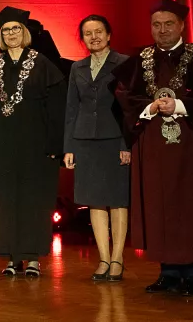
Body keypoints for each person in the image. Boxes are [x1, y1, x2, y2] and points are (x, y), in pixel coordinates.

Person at [113, 0, 193, 296]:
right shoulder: (140, 60)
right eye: (156, 25)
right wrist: (151, 106)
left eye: (168, 24)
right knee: (158, 204)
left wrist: (177, 104)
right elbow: (125, 96)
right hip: (154, 145)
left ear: (181, 26)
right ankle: (167, 272)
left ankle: (192, 273)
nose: (162, 30)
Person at [0, 6, 66, 277]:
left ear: (24, 32)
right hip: (2, 146)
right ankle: (12, 258)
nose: (11, 34)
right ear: (1, 36)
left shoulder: (44, 65)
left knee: (34, 200)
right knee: (5, 201)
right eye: (6, 30)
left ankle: (33, 257)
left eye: (16, 29)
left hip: (36, 146)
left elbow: (57, 108)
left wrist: (54, 145)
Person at [63, 15, 130, 281]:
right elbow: (71, 109)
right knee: (95, 200)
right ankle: (103, 258)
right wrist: (69, 146)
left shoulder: (124, 63)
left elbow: (130, 108)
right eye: (88, 33)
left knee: (117, 200)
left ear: (109, 34)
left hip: (114, 139)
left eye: (99, 31)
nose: (94, 37)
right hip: (84, 140)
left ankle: (118, 259)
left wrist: (127, 144)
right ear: (83, 39)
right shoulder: (77, 67)